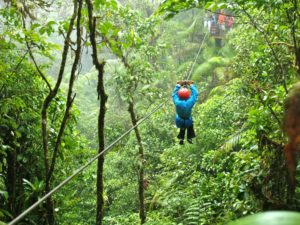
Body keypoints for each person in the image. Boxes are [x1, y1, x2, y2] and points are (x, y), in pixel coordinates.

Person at [172, 80, 199, 145]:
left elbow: (174, 95)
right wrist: (191, 85)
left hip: (179, 120)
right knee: (190, 125)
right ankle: (189, 137)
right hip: (188, 120)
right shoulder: (190, 102)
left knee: (182, 127)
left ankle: (181, 138)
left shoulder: (177, 102)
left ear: (179, 95)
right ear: (188, 95)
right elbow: (195, 94)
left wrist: (178, 85)